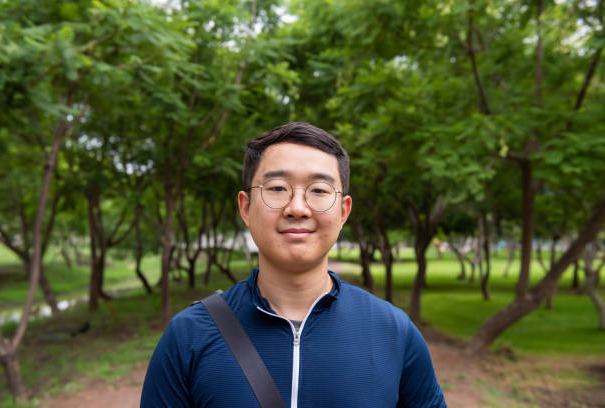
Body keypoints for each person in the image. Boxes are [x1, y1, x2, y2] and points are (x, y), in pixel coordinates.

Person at [140, 122, 447, 408]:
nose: (297, 208)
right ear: (245, 208)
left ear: (343, 212)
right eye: (277, 189)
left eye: (318, 191)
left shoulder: (394, 333)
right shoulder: (189, 336)